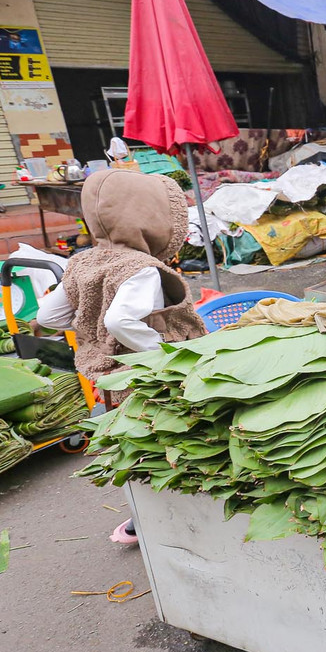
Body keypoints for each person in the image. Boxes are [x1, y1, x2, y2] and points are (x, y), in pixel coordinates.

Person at [36, 166, 208, 546]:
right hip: (148, 379)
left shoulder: (84, 261)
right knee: (170, 442)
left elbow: (48, 316)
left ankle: (138, 519)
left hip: (108, 380)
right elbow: (121, 320)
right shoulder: (141, 269)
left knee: (132, 445)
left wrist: (90, 329)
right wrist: (160, 354)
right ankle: (178, 520)